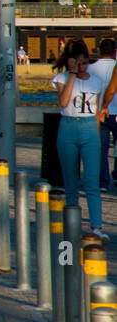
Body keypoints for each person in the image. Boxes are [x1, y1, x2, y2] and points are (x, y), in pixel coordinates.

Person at [57, 41, 107, 238]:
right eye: (77, 63)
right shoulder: (61, 78)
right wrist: (71, 74)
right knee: (70, 181)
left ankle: (96, 227)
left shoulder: (97, 81)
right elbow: (63, 102)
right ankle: (72, 225)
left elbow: (97, 113)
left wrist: (97, 137)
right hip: (68, 126)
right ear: (70, 62)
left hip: (89, 129)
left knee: (92, 181)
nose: (82, 67)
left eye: (85, 63)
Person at [90, 38, 117, 190]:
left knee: (102, 148)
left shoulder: (91, 68)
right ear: (115, 52)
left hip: (100, 112)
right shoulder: (116, 66)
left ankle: (103, 181)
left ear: (99, 51)